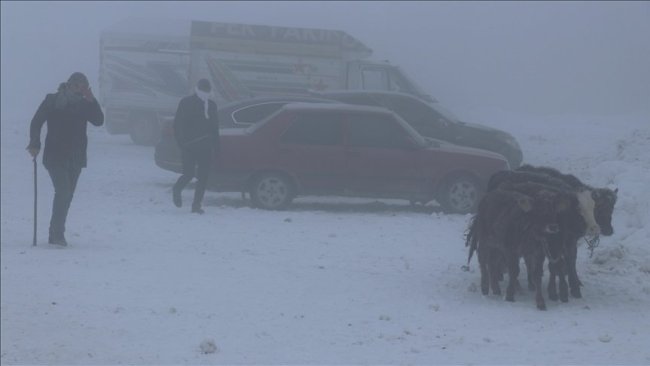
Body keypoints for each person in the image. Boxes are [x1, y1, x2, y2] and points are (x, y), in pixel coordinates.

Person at [27, 72, 104, 246]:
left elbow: (99, 121)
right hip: (55, 155)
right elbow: (36, 121)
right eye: (76, 85)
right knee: (63, 192)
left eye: (83, 86)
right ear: (68, 84)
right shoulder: (53, 100)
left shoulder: (85, 104)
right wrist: (34, 143)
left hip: (76, 157)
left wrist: (92, 100)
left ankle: (55, 232)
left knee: (68, 196)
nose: (79, 89)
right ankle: (57, 234)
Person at [172, 78, 220, 214]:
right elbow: (177, 125)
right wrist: (181, 143)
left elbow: (214, 127)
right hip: (189, 146)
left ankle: (196, 205)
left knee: (203, 177)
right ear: (198, 89)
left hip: (206, 146)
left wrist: (217, 146)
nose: (206, 93)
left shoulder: (211, 105)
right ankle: (177, 189)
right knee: (188, 173)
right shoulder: (186, 102)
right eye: (204, 90)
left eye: (207, 91)